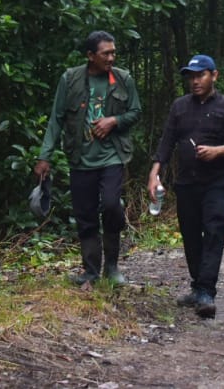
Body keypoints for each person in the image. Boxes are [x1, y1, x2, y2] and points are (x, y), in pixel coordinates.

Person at [34, 31, 142, 288]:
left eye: (113, 52)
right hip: (80, 158)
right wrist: (44, 156)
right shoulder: (70, 79)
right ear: (91, 55)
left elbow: (136, 111)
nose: (111, 57)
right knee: (85, 214)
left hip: (113, 155)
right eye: (106, 53)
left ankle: (112, 267)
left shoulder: (123, 79)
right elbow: (56, 118)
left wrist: (114, 121)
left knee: (112, 205)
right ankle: (91, 270)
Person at [148, 54, 224, 319]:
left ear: (214, 75)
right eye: (191, 76)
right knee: (190, 234)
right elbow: (167, 141)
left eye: (200, 75)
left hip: (216, 181)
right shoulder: (180, 107)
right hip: (186, 182)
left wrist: (220, 151)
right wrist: (155, 172)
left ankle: (206, 290)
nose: (195, 81)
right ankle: (197, 285)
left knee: (213, 231)